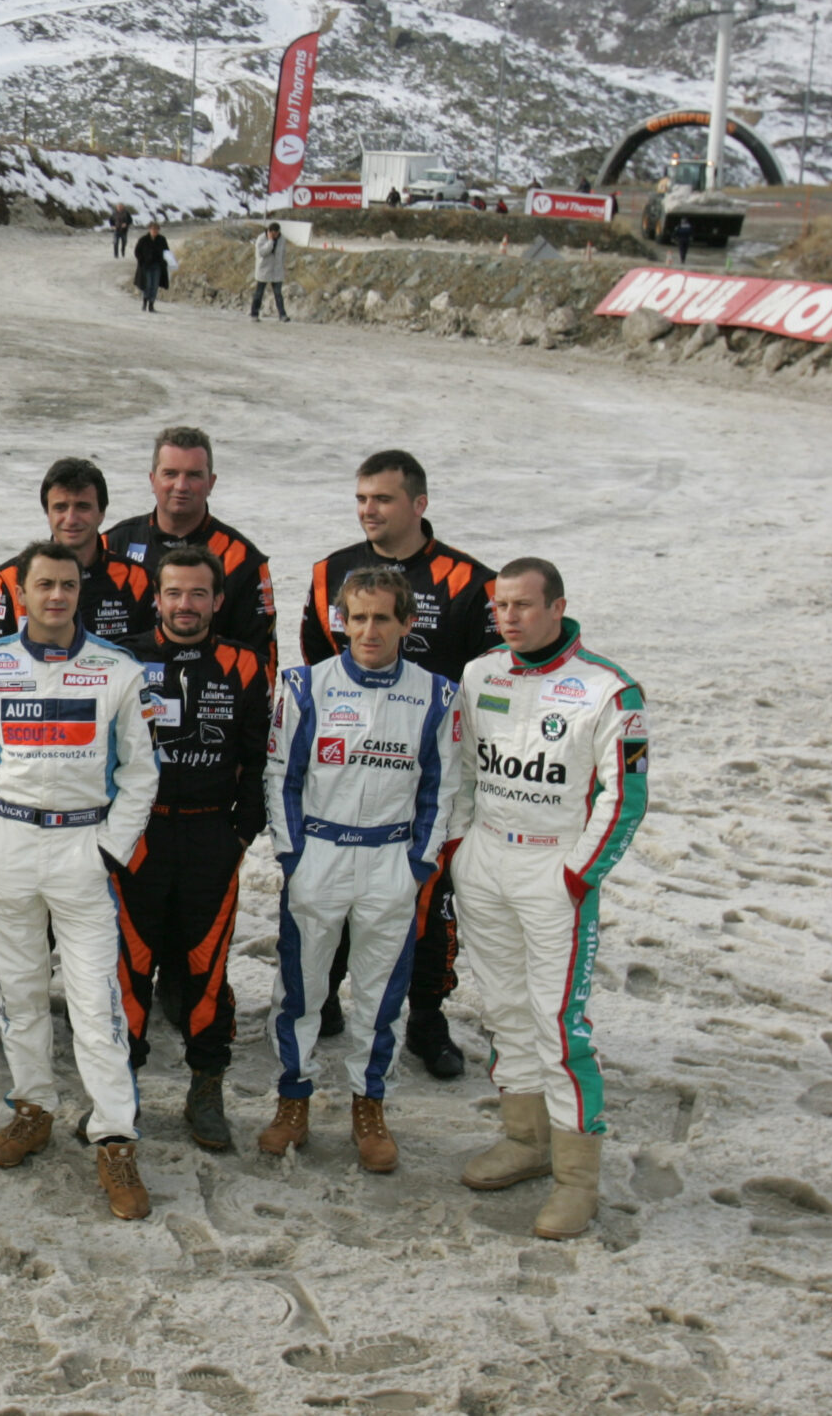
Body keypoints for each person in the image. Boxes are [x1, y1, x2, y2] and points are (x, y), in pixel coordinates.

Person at [0, 542, 159, 1220]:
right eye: (44, 584)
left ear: (80, 591)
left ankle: (115, 1137)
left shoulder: (117, 670)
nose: (56, 595)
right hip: (9, 843)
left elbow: (140, 772)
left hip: (82, 849)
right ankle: (33, 1107)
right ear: (22, 593)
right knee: (19, 994)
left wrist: (110, 851)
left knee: (96, 1005)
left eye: (68, 584)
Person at [450, 560, 647, 1240]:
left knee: (558, 1023)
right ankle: (525, 1139)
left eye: (524, 605)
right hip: (486, 859)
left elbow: (625, 796)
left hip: (553, 865)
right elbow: (464, 770)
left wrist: (577, 875)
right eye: (501, 605)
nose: (509, 617)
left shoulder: (609, 689)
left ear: (558, 607)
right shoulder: (480, 674)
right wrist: (460, 847)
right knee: (504, 1008)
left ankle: (576, 1179)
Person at [298, 448, 499, 1074]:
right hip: (344, 766)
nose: (369, 510)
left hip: (429, 770)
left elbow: (489, 681)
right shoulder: (329, 572)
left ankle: (428, 1018)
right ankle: (326, 999)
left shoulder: (470, 581)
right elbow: (316, 670)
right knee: (334, 888)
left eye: (382, 499)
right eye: (361, 498)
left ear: (419, 503)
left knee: (428, 898)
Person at [256, 567, 462, 1174]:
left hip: (390, 860)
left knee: (381, 995)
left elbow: (444, 787)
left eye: (383, 618)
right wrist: (294, 855)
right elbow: (281, 775)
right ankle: (293, 1098)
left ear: (407, 623)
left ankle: (369, 1105)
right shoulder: (304, 685)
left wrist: (419, 863)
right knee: (300, 990)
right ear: (341, 622)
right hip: (319, 853)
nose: (370, 630)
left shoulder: (436, 694)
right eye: (359, 617)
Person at [116, 545, 269, 1152]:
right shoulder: (122, 657)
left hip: (210, 836)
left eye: (198, 593)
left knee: (207, 968)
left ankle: (206, 1085)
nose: (186, 604)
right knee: (130, 967)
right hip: (139, 837)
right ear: (156, 597)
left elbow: (259, 756)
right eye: (174, 592)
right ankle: (120, 1088)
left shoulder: (245, 663)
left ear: (218, 600)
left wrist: (242, 832)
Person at [101, 427, 275, 669]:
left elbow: (262, 661)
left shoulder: (242, 558)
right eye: (170, 474)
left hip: (213, 688)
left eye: (193, 475)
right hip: (125, 684)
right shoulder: (112, 545)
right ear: (152, 480)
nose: (181, 486)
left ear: (211, 483)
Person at [0, 456, 155, 649]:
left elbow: (150, 655)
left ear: (102, 513)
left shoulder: (136, 579)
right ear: (47, 513)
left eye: (83, 507)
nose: (71, 519)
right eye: (60, 507)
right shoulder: (10, 577)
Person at [250, 223, 289, 321]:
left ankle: (282, 315)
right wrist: (270, 241)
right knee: (259, 293)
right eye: (273, 233)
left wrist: (282, 265)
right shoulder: (261, 238)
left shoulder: (282, 239)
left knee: (278, 293)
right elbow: (262, 252)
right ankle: (254, 314)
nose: (276, 235)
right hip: (264, 269)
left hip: (277, 270)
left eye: (277, 233)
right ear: (270, 232)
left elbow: (283, 253)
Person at [133, 221, 170, 311]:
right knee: (148, 284)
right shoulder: (143, 240)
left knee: (155, 285)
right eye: (153, 229)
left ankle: (151, 304)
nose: (154, 231)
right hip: (146, 266)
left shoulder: (162, 240)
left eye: (156, 229)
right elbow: (137, 251)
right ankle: (145, 302)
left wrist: (165, 261)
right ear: (149, 229)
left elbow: (166, 252)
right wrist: (141, 261)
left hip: (157, 266)